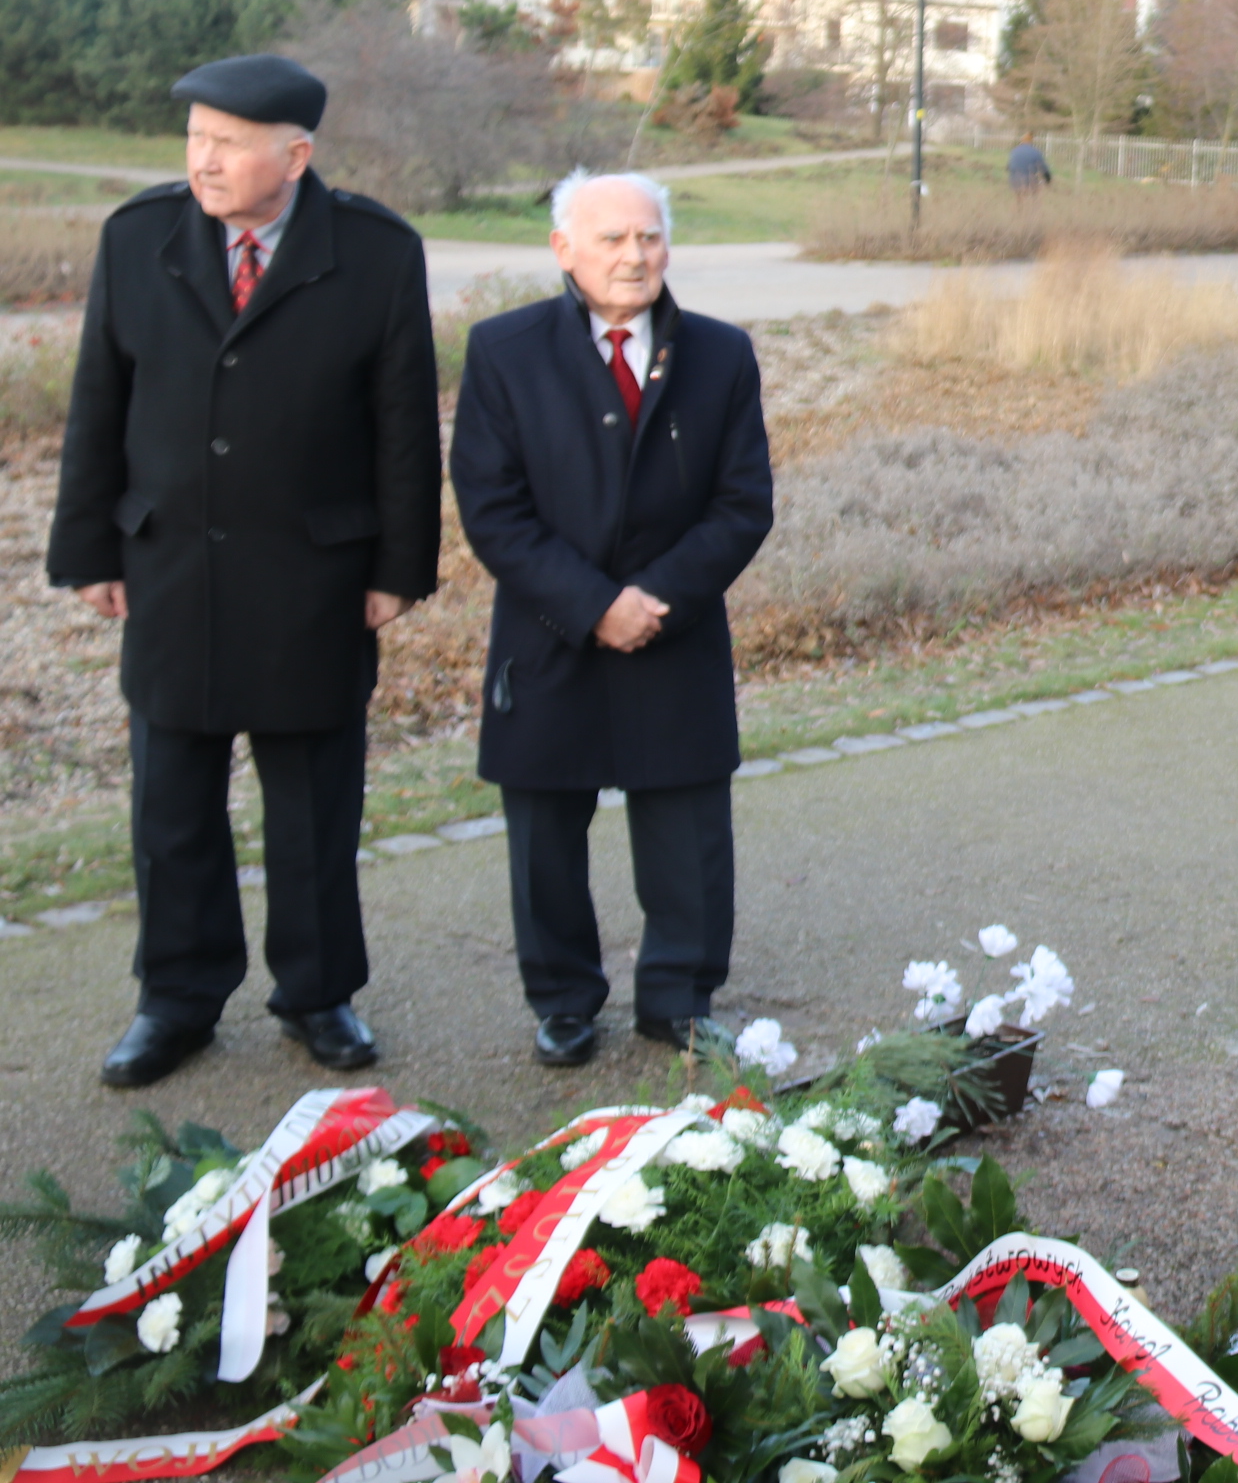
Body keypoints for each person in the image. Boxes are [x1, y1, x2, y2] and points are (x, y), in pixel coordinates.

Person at [47, 53, 440, 1087]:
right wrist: (88, 546)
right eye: (196, 139)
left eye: (227, 143)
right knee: (171, 803)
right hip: (170, 567)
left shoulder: (376, 252)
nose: (204, 161)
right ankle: (176, 998)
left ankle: (317, 993)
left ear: (295, 157)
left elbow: (404, 422)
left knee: (313, 807)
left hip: (316, 577)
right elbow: (98, 399)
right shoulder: (137, 237)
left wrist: (399, 568)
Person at [448, 169, 774, 1065]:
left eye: (649, 237)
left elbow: (742, 504)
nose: (635, 256)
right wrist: (594, 606)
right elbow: (492, 509)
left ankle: (679, 1000)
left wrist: (652, 603)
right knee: (545, 837)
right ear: (564, 249)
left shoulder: (720, 355)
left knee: (688, 835)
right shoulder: (504, 352)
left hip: (674, 631)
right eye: (612, 239)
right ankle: (562, 1000)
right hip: (550, 636)